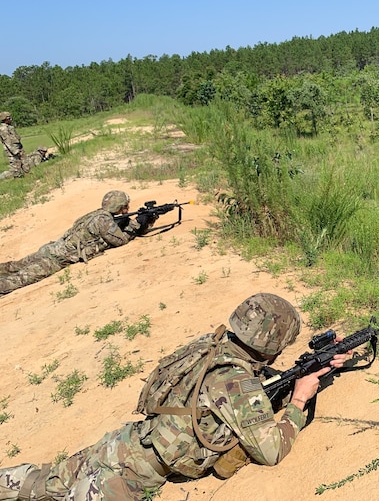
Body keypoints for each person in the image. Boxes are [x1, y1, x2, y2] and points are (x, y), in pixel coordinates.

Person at [0, 292, 348, 501]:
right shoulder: (235, 381)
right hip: (124, 479)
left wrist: (299, 372)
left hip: (121, 442)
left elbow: (231, 394)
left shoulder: (210, 346)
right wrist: (299, 401)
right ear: (270, 343)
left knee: (38, 481)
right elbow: (271, 451)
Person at [0, 190, 155, 296]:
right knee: (18, 279)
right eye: (125, 206)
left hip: (50, 249)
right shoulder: (104, 220)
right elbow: (120, 241)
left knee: (14, 266)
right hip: (56, 259)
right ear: (119, 206)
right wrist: (137, 224)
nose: (128, 208)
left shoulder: (96, 214)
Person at [0, 112, 26, 179]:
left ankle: (25, 174)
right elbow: (7, 141)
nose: (11, 119)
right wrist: (15, 151)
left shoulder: (9, 127)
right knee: (15, 165)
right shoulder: (3, 129)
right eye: (9, 118)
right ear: (5, 119)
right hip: (12, 150)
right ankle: (18, 178)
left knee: (23, 162)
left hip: (18, 147)